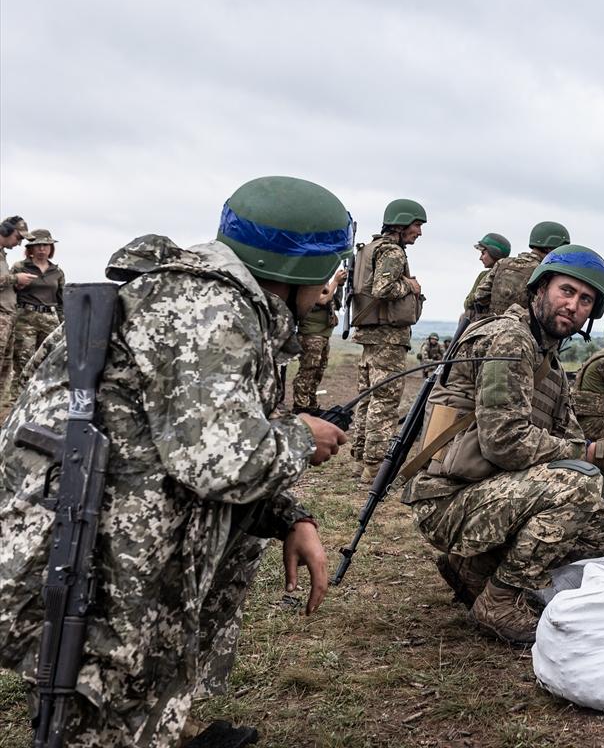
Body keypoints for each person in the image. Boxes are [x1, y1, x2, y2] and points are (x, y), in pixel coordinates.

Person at [0, 175, 349, 747]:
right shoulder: (208, 304)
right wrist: (300, 437)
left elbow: (193, 442)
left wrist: (290, 516)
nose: (332, 287)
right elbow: (219, 463)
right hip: (95, 553)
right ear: (299, 268)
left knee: (127, 699)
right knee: (102, 707)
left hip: (113, 536)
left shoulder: (212, 297)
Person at [401, 245, 604, 645]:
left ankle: (474, 568)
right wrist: (595, 455)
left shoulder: (546, 359)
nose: (573, 305)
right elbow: (505, 442)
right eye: (566, 291)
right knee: (579, 484)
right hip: (447, 499)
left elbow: (567, 440)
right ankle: (499, 599)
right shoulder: (509, 340)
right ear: (540, 288)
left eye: (585, 300)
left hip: (486, 493)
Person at [349, 199, 426, 485]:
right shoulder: (392, 252)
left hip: (372, 336)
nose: (418, 232)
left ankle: (361, 460)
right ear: (401, 223)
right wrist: (412, 286)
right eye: (416, 225)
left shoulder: (370, 248)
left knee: (368, 399)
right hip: (387, 338)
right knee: (385, 401)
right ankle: (375, 466)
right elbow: (383, 288)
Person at [469, 221, 569, 319]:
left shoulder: (502, 263)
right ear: (550, 248)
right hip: (524, 332)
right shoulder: (545, 272)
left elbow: (481, 296)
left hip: (492, 327)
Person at [8, 228, 65, 396]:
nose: (41, 249)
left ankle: (41, 399)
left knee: (49, 361)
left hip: (50, 319)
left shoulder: (57, 272)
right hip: (25, 318)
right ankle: (15, 403)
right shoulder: (20, 267)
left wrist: (63, 324)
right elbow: (8, 292)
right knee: (24, 363)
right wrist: (17, 286)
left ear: (51, 248)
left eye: (45, 245)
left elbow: (62, 300)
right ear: (30, 249)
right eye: (38, 245)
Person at [292, 266, 348, 414]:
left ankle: (310, 405)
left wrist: (339, 285)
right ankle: (300, 407)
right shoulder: (309, 280)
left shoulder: (322, 281)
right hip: (311, 334)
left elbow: (334, 302)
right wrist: (335, 281)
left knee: (318, 372)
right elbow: (323, 300)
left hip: (323, 334)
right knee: (308, 371)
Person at [0, 216, 29, 408]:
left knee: (5, 366)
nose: (19, 243)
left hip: (8, 315)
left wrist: (16, 285)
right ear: (6, 231)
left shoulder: (3, 256)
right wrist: (15, 277)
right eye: (18, 238)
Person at [461, 232, 511, 321]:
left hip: (486, 322)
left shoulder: (484, 276)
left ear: (494, 253)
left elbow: (467, 304)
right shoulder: (511, 275)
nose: (480, 258)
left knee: (464, 316)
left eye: (483, 253)